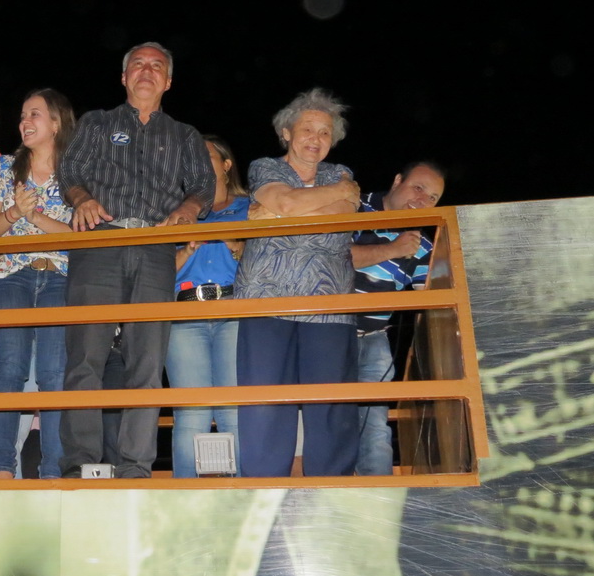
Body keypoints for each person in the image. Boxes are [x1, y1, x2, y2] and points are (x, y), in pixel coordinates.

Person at [56, 42, 215, 479]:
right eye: (138, 65)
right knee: (85, 356)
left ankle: (135, 466)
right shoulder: (97, 122)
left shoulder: (184, 135)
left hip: (155, 246)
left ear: (168, 81)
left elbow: (203, 184)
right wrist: (81, 198)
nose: (147, 71)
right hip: (100, 241)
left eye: (156, 66)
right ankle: (80, 463)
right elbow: (69, 169)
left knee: (146, 361)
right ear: (124, 77)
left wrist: (190, 208)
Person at [234, 88, 361, 477]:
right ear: (286, 132)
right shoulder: (265, 168)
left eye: (325, 133)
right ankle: (263, 488)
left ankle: (332, 489)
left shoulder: (341, 174)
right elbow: (288, 202)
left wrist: (277, 215)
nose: (316, 139)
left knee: (331, 403)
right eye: (307, 129)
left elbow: (338, 217)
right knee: (265, 401)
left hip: (330, 302)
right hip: (266, 298)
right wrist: (323, 200)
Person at [0, 88, 75, 479]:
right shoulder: (5, 167)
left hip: (59, 276)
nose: (25, 122)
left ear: (56, 122)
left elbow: (80, 234)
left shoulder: (76, 171)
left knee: (55, 373)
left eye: (34, 114)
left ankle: (52, 471)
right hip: (11, 276)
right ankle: (2, 468)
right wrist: (14, 212)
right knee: (8, 369)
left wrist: (34, 217)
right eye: (22, 115)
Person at [351, 161, 446, 476]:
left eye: (432, 198)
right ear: (396, 181)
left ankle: (378, 495)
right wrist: (393, 249)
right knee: (327, 416)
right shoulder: (352, 206)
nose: (422, 200)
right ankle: (327, 491)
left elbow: (433, 303)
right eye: (418, 188)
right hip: (327, 331)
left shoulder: (422, 247)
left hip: (375, 338)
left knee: (375, 426)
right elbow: (330, 256)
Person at [165, 135, 250, 477]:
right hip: (185, 313)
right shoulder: (174, 212)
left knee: (234, 410)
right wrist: (186, 249)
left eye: (207, 156)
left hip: (234, 310)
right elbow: (158, 275)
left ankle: (242, 495)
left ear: (226, 165)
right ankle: (186, 496)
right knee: (191, 413)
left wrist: (236, 245)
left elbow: (266, 264)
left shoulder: (250, 207)